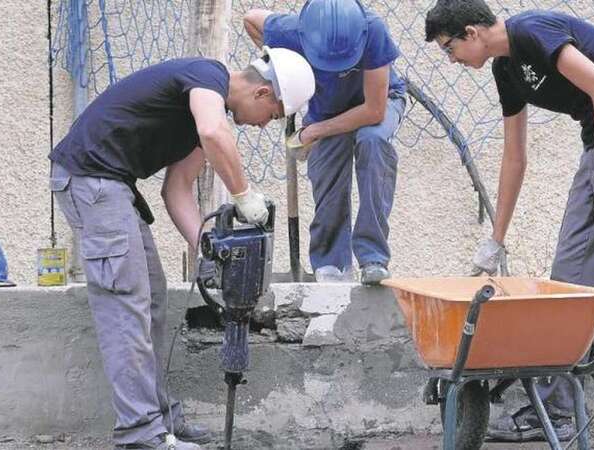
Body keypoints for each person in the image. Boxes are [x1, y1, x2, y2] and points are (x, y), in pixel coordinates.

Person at [425, 0, 594, 442]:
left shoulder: (532, 31)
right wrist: (495, 239)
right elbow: (514, 157)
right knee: (570, 278)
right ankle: (557, 411)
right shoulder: (505, 71)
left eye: (449, 48)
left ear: (471, 32)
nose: (453, 60)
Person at [48, 48, 315, 450]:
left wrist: (208, 250)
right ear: (262, 93)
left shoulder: (205, 111)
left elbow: (177, 190)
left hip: (113, 186)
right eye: (274, 116)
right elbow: (213, 134)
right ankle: (140, 434)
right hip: (92, 180)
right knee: (127, 308)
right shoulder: (206, 75)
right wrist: (243, 194)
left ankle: (161, 418)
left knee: (152, 300)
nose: (264, 126)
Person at [243, 0, 407, 285]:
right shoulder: (291, 31)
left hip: (376, 102)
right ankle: (332, 264)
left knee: (373, 141)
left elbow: (373, 111)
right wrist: (285, 74)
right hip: (328, 109)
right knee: (327, 168)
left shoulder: (373, 30)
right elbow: (251, 19)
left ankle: (373, 258)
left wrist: (314, 132)